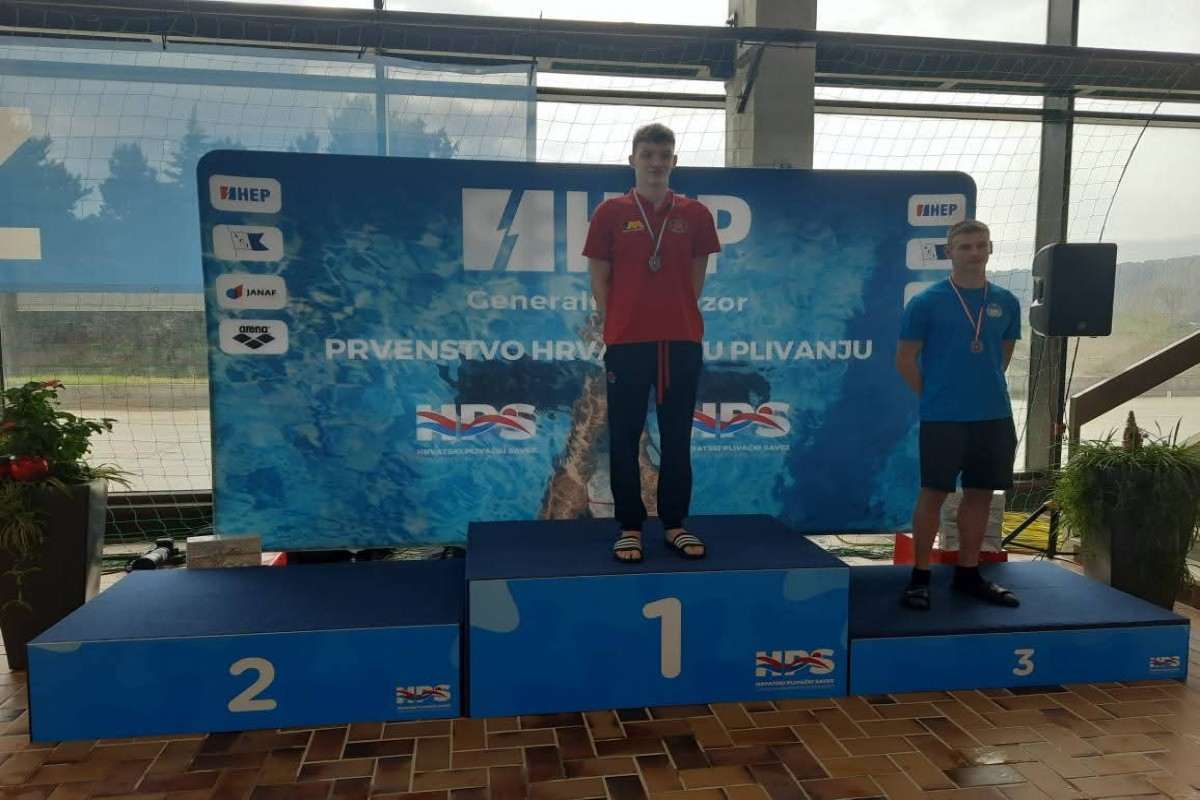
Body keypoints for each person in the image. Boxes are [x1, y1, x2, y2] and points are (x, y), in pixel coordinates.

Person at [583, 123, 721, 563]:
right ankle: (629, 526)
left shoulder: (695, 214)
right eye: (648, 155)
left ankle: (675, 523)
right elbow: (600, 280)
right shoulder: (609, 213)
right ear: (633, 160)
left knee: (677, 437)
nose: (656, 163)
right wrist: (622, 321)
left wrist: (673, 314)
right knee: (624, 437)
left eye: (664, 155)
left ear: (674, 161)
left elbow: (696, 278)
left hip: (680, 341)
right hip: (627, 342)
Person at [895, 219, 1022, 610]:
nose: (974, 253)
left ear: (990, 249)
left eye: (981, 245)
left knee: (981, 494)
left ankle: (969, 573)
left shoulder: (1006, 301)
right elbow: (904, 360)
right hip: (944, 418)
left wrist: (979, 390)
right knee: (934, 493)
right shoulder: (926, 302)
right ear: (949, 252)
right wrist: (935, 396)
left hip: (993, 416)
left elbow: (1001, 356)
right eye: (965, 246)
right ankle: (920, 577)